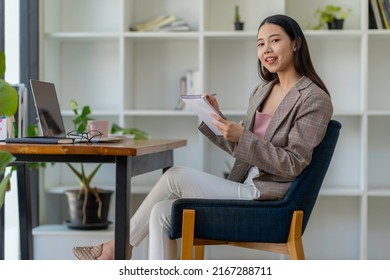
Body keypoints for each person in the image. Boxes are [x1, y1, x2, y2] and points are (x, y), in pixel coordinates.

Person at [72, 14, 333, 260]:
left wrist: (243, 137)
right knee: (161, 211)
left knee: (174, 176)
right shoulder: (262, 91)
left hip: (270, 197)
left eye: (275, 40)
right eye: (260, 43)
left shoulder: (313, 98)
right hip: (244, 185)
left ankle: (117, 249)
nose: (266, 50)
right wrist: (216, 119)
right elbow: (242, 150)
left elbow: (293, 163)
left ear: (296, 43)